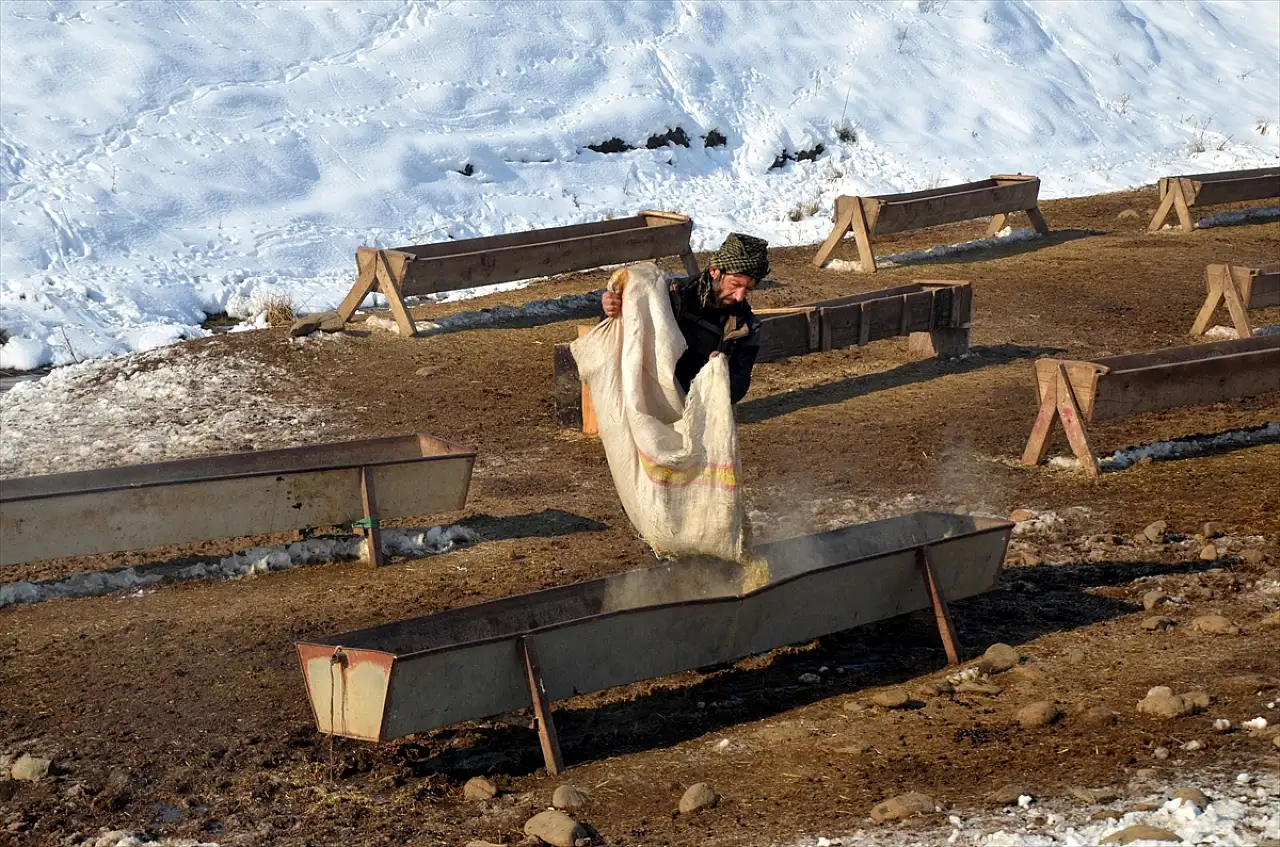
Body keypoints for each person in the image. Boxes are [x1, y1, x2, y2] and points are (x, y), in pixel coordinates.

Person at [601, 232, 768, 404]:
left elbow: (739, 385)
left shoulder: (746, 325)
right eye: (735, 285)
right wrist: (612, 309)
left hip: (699, 407)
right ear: (714, 271)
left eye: (747, 290)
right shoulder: (673, 295)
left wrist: (721, 375)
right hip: (650, 401)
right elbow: (619, 335)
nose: (740, 296)